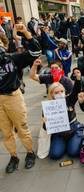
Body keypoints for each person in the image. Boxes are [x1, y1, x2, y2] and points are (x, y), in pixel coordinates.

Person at [0, 24, 41, 173]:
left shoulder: (12, 58)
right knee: (6, 132)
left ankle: (30, 153)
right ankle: (13, 156)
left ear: (4, 44)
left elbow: (35, 52)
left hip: (13, 97)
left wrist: (26, 33)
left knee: (22, 127)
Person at [38, 59, 84, 159]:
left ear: (65, 91)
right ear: (51, 94)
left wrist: (78, 78)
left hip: (72, 129)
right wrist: (45, 123)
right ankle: (64, 144)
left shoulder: (69, 99)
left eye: (62, 91)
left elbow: (76, 90)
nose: (60, 94)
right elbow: (47, 128)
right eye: (56, 92)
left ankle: (79, 133)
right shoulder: (48, 106)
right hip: (59, 133)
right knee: (55, 155)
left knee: (73, 152)